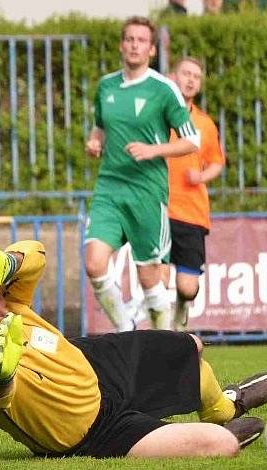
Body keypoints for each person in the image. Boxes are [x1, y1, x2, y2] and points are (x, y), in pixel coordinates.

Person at [0, 237, 267, 458]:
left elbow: (36, 253)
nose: (3, 312)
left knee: (191, 345)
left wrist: (8, 265)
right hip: (91, 433)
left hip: (90, 362)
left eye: (1, 298)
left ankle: (221, 407)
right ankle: (218, 427)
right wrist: (1, 376)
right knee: (221, 446)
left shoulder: (4, 300)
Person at [85, 16, 200, 332]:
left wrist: (153, 150)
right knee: (94, 263)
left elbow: (193, 140)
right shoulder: (106, 86)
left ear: (151, 50)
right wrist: (96, 141)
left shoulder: (164, 90)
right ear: (122, 45)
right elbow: (100, 126)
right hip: (109, 188)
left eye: (141, 41)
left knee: (149, 276)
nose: (135, 45)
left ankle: (164, 341)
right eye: (130, 39)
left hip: (147, 192)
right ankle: (126, 332)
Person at [163, 56, 225, 331]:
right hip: (160, 208)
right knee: (157, 276)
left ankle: (181, 309)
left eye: (196, 76)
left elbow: (217, 162)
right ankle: (160, 333)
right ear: (173, 76)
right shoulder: (157, 116)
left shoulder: (205, 124)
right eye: (185, 73)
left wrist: (201, 176)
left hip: (192, 212)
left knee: (187, 287)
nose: (190, 80)